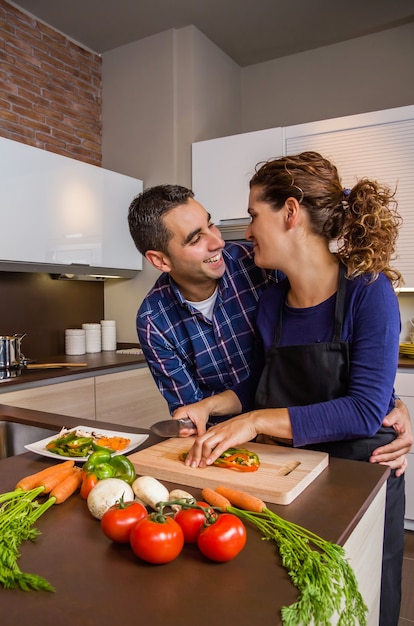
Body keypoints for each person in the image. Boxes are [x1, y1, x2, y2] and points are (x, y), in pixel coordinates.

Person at [173, 153, 407, 625]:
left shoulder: (368, 291)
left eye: (254, 214)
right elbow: (256, 383)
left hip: (359, 485)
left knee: (361, 604)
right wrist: (209, 406)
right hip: (290, 479)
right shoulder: (273, 301)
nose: (247, 230)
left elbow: (364, 410)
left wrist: (255, 422)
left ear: (291, 213)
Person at [128, 184, 412, 474]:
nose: (219, 242)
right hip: (265, 459)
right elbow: (250, 388)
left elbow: (362, 385)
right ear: (160, 260)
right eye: (195, 238)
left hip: (349, 457)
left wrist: (386, 403)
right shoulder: (154, 322)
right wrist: (209, 409)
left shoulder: (262, 263)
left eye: (210, 224)